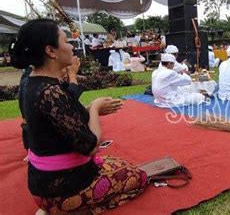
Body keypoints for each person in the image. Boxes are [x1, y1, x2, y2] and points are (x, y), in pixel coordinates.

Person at [9, 19, 147, 213]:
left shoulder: (31, 83)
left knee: (120, 164)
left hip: (45, 183)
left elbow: (63, 120)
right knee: (139, 177)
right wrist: (95, 108)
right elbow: (91, 146)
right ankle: (75, 210)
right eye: (66, 41)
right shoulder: (50, 92)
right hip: (60, 191)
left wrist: (89, 107)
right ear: (51, 51)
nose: (72, 47)